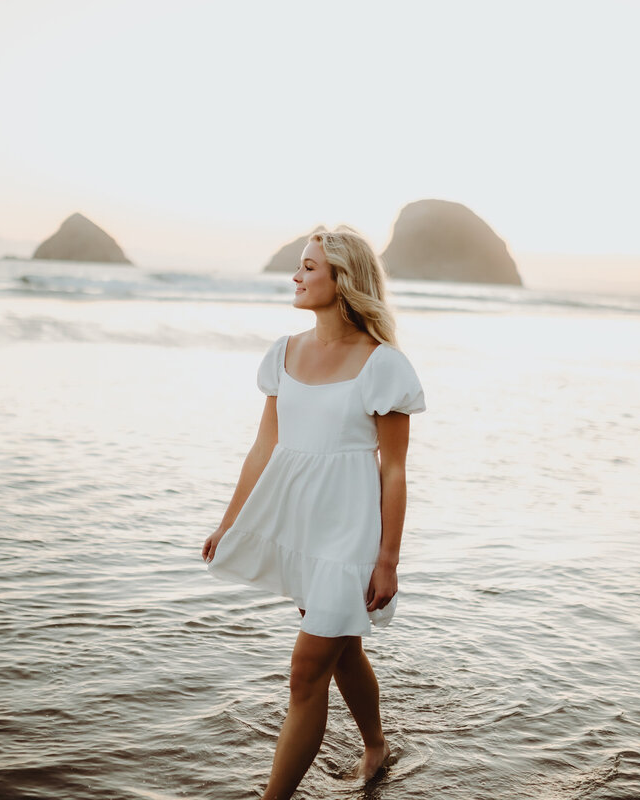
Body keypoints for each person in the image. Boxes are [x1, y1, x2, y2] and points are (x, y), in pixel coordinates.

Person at [202, 226, 425, 799]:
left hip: (351, 533)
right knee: (343, 645)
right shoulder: (283, 352)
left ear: (342, 280)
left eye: (308, 267)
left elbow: (394, 470)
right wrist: (230, 521)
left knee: (305, 672)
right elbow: (264, 447)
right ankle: (376, 745)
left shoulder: (383, 365)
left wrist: (388, 560)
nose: (296, 277)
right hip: (299, 525)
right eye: (299, 266)